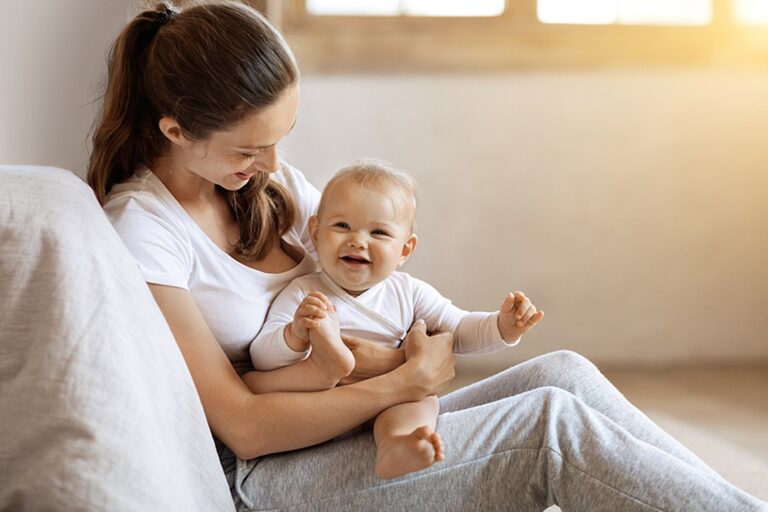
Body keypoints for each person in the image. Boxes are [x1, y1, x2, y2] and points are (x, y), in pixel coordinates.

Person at [87, 2, 767, 510]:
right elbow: (242, 424)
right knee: (548, 429)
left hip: (356, 422)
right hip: (270, 475)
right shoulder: (145, 232)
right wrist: (401, 379)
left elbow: (385, 279)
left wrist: (416, 357)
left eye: (280, 137)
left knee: (563, 372)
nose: (272, 164)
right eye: (248, 148)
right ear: (175, 130)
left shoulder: (267, 184)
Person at [246, 160, 545, 479]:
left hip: (391, 401)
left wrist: (502, 326)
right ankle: (332, 366)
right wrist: (293, 335)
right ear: (316, 233)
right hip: (324, 407)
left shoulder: (409, 293)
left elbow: (457, 330)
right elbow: (261, 356)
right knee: (292, 389)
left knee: (420, 403)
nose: (358, 241)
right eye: (342, 226)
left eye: (378, 232)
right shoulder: (304, 293)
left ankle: (398, 445)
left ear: (405, 250)